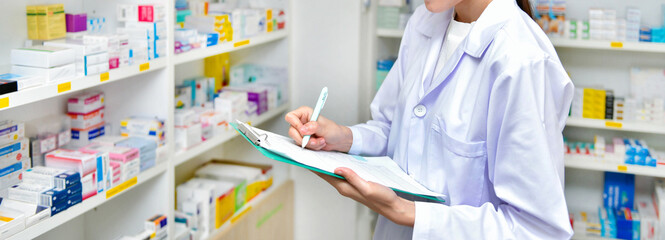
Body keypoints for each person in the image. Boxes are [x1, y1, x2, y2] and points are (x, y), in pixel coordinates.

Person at [285, 0, 574, 238]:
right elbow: (395, 128)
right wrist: (345, 137)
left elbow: (537, 230)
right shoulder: (425, 22)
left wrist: (409, 212)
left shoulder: (521, 61)